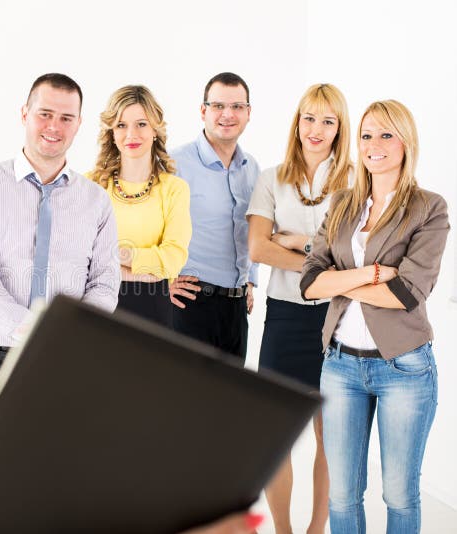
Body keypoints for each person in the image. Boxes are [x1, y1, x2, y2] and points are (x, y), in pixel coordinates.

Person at [300, 100, 449, 533]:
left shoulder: (429, 207)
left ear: (406, 142)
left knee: (399, 495)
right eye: (366, 135)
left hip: (403, 366)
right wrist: (372, 273)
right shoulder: (343, 203)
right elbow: (309, 282)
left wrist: (338, 281)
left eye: (386, 134)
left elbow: (407, 293)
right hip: (340, 366)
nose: (374, 145)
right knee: (343, 496)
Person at [0, 73, 121, 452]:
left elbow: (105, 282)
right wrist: (34, 330)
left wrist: (66, 334)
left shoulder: (96, 201)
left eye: (66, 118)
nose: (54, 126)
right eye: (45, 114)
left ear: (78, 124)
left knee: (52, 474)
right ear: (24, 114)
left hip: (67, 359)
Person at [246, 83, 353, 534]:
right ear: (297, 123)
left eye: (328, 121)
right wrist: (319, 264)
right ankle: (284, 531)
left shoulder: (355, 181)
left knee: (331, 436)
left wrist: (299, 243)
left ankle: (315, 529)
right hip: (285, 317)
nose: (316, 129)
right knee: (275, 435)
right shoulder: (271, 178)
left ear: (339, 129)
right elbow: (258, 248)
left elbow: (353, 256)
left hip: (338, 319)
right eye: (309, 118)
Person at [169, 72, 260, 361]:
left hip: (236, 310)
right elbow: (149, 224)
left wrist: (250, 280)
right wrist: (161, 281)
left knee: (230, 391)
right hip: (190, 304)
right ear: (203, 111)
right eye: (218, 106)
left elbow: (255, 228)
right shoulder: (175, 164)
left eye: (237, 107)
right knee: (185, 390)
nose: (227, 115)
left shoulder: (251, 168)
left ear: (248, 113)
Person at [89, 85, 191, 327]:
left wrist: (115, 255)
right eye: (121, 125)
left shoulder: (174, 189)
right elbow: (76, 256)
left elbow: (173, 259)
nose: (131, 134)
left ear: (155, 129)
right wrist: (146, 272)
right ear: (111, 132)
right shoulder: (90, 185)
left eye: (141, 124)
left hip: (152, 311)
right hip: (96, 306)